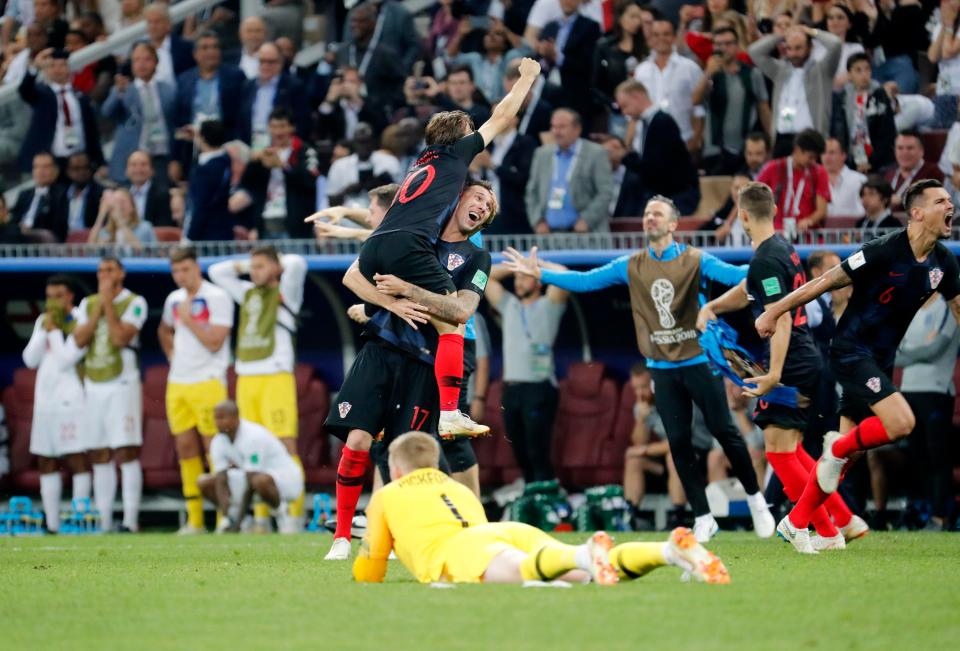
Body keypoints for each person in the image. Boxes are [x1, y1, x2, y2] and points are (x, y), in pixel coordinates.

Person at [503, 196, 775, 543]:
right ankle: (703, 516)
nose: (649, 218)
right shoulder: (631, 264)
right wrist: (540, 273)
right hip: (661, 366)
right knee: (678, 442)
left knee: (727, 431)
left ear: (674, 224)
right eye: (646, 213)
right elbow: (585, 282)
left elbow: (738, 275)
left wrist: (770, 261)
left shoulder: (695, 259)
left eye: (657, 214)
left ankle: (757, 501)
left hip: (698, 360)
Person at [755, 179, 960, 552]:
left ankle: (803, 524)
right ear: (916, 213)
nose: (951, 205)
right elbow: (824, 282)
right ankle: (832, 455)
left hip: (881, 358)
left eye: (950, 200)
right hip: (850, 351)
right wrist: (775, 309)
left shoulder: (944, 262)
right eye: (941, 200)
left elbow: (959, 310)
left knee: (847, 458)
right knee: (901, 423)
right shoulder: (882, 250)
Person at [353, 56, 542, 441]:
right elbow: (503, 116)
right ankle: (450, 412)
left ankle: (376, 316)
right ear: (461, 136)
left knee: (418, 315)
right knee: (454, 317)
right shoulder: (456, 155)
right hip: (407, 246)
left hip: (375, 246)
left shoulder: (420, 163)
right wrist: (527, 78)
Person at [322, 180, 499, 559]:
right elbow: (357, 271)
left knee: (417, 451)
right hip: (384, 347)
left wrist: (406, 290)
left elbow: (461, 311)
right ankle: (345, 534)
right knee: (360, 441)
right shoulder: (419, 232)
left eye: (489, 205)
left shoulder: (477, 258)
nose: (483, 206)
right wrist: (384, 306)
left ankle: (457, 524)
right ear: (458, 196)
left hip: (432, 361)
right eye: (478, 197)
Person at [698, 182, 862, 553]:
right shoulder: (781, 250)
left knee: (777, 452)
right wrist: (713, 307)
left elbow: (782, 317)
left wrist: (772, 374)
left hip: (790, 360)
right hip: (800, 357)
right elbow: (748, 289)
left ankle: (821, 528)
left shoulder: (767, 259)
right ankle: (843, 521)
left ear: (741, 216)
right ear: (773, 211)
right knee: (792, 449)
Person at [353, 431, 730, 585]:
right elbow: (480, 528)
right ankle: (667, 551)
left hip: (461, 549)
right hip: (502, 532)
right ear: (435, 463)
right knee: (586, 571)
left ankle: (586, 555)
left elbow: (370, 572)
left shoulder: (387, 494)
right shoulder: (456, 487)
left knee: (560, 567)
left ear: (396, 468)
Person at [208, 246, 307, 531]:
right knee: (247, 448)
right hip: (246, 377)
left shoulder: (287, 291)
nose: (255, 272)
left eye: (261, 266)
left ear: (276, 268)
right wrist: (249, 266)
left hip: (275, 376)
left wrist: (275, 263)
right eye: (253, 267)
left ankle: (293, 513)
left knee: (284, 444)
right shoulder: (247, 292)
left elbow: (297, 261)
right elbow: (217, 272)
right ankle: (261, 517)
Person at [158, 246, 234, 535]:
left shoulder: (217, 297)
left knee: (213, 449)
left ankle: (223, 515)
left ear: (196, 268)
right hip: (178, 383)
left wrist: (189, 320)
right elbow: (164, 330)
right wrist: (172, 355)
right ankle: (195, 520)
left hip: (208, 382)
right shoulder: (173, 299)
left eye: (185, 269)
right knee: (185, 449)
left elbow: (215, 342)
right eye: (175, 271)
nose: (180, 276)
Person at [71, 256, 148, 532]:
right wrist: (98, 306)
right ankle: (103, 521)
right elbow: (79, 340)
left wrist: (108, 303)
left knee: (125, 450)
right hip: (93, 383)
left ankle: (130, 520)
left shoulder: (135, 302)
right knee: (99, 452)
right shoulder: (87, 303)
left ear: (122, 273)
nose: (104, 274)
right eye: (101, 270)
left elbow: (118, 338)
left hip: (122, 383)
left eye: (110, 269)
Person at [483, 259, 568, 485]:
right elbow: (484, 276)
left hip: (539, 388)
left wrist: (535, 264)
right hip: (511, 389)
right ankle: (530, 493)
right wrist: (515, 266)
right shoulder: (509, 304)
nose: (519, 282)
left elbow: (563, 273)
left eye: (525, 277)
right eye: (517, 278)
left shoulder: (550, 304)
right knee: (519, 450)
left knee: (537, 449)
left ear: (538, 281)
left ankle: (546, 495)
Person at [22, 275, 91, 533]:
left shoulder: (80, 321)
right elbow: (30, 360)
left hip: (71, 400)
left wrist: (53, 332)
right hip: (45, 402)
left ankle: (79, 520)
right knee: (46, 460)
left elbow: (65, 359)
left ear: (70, 296)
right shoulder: (44, 321)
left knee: (76, 458)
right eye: (49, 297)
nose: (52, 302)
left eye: (58, 296)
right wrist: (45, 330)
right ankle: (52, 525)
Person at [893, 292, 960, 530]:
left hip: (936, 391)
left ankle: (940, 516)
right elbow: (895, 347)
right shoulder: (910, 308)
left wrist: (908, 352)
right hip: (909, 390)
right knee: (916, 456)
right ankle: (918, 514)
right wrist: (918, 349)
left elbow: (936, 349)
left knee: (938, 455)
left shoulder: (948, 308)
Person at [199, 401, 304, 533]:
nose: (217, 422)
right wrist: (226, 516)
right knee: (204, 482)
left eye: (222, 418)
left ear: (235, 417)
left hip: (286, 481)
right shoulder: (218, 441)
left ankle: (282, 514)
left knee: (259, 480)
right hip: (254, 479)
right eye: (216, 418)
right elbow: (221, 479)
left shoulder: (253, 435)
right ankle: (231, 519)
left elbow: (251, 482)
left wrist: (239, 521)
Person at [749, 25, 842, 157]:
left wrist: (811, 32)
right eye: (789, 48)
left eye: (798, 48)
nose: (793, 54)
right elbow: (754, 51)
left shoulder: (822, 70)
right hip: (783, 138)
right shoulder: (779, 70)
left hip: (811, 139)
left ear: (810, 47)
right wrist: (781, 35)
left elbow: (836, 44)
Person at [614, 80, 700, 215]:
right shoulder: (643, 124)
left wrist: (624, 157)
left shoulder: (662, 122)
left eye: (625, 106)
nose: (625, 112)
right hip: (656, 194)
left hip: (675, 196)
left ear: (637, 97)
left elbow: (656, 167)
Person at [695, 26, 772, 176]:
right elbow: (695, 100)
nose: (723, 48)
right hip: (714, 149)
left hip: (744, 150)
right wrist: (708, 73)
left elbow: (764, 110)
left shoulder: (752, 74)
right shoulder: (709, 74)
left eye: (728, 43)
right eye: (718, 44)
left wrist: (770, 141)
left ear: (737, 45)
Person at [233, 107, 319, 240]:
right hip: (266, 221)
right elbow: (247, 184)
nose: (278, 132)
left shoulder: (305, 151)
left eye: (282, 126)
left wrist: (284, 166)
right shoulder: (265, 152)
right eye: (273, 127)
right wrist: (254, 162)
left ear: (292, 128)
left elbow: (310, 181)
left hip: (295, 225)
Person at [18, 47, 104, 175]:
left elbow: (91, 131)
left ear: (69, 68)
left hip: (80, 159)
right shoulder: (42, 93)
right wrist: (35, 67)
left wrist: (100, 161)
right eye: (52, 65)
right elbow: (24, 90)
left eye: (62, 65)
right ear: (46, 70)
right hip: (52, 161)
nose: (57, 69)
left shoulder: (79, 96)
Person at [525, 108, 613, 233]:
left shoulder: (596, 153)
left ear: (577, 129)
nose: (556, 131)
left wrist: (587, 220)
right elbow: (531, 192)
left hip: (587, 234)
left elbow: (605, 192)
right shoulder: (542, 154)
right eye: (553, 126)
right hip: (549, 235)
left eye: (562, 127)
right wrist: (537, 221)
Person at [102, 42, 176, 185]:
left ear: (156, 62)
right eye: (137, 60)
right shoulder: (124, 89)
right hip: (132, 156)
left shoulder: (168, 90)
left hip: (161, 156)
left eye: (147, 59)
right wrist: (118, 92)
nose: (142, 64)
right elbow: (107, 112)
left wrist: (175, 159)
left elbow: (174, 122)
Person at [633, 18, 704, 152]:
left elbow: (699, 109)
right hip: (647, 143)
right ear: (650, 38)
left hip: (682, 140)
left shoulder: (690, 68)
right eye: (656, 35)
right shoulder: (641, 70)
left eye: (666, 34)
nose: (661, 39)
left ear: (674, 36)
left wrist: (695, 141)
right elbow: (635, 110)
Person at [174, 31, 246, 146]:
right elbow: (179, 119)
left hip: (227, 144)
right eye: (205, 48)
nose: (211, 51)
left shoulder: (235, 76)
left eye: (215, 47)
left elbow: (242, 115)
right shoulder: (184, 79)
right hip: (192, 145)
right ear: (195, 54)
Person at [829, 53, 896, 175]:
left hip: (878, 162)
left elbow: (886, 133)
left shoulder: (879, 94)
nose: (864, 74)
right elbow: (839, 132)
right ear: (849, 74)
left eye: (867, 69)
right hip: (850, 161)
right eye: (858, 70)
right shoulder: (842, 97)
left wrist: (871, 162)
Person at [756, 128, 831, 235]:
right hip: (776, 234)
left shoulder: (819, 172)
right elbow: (753, 198)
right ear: (797, 149)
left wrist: (809, 221)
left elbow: (821, 211)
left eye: (816, 158)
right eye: (810, 157)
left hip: (807, 237)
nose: (813, 161)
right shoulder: (773, 168)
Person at [536, 0, 601, 122]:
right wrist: (543, 55)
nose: (567, 1)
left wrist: (557, 57)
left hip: (574, 92)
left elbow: (587, 64)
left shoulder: (590, 27)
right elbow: (538, 59)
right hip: (546, 91)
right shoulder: (550, 26)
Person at [238, 42, 310, 148]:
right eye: (262, 61)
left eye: (271, 62)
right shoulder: (247, 86)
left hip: (282, 148)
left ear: (281, 63)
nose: (265, 66)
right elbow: (240, 121)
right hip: (252, 148)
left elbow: (302, 122)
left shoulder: (294, 86)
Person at [186, 120, 234, 242]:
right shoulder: (225, 161)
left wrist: (190, 237)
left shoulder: (206, 169)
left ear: (201, 138)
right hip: (223, 229)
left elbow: (201, 205)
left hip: (206, 234)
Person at [11, 153, 67, 241]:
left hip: (44, 240)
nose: (40, 171)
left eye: (46, 167)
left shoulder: (62, 194)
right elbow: (13, 218)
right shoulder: (24, 194)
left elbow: (58, 225)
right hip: (18, 238)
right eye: (36, 167)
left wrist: (29, 230)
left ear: (56, 170)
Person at [884, 131, 944, 211]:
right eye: (900, 148)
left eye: (910, 148)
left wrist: (902, 201)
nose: (904, 152)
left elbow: (932, 202)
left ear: (921, 151)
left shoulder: (933, 172)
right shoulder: (889, 175)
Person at [88, 188, 157, 252]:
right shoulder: (106, 231)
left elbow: (139, 252)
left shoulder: (144, 227)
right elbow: (89, 250)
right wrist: (101, 215)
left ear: (132, 206)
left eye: (122, 201)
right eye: (115, 202)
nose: (118, 206)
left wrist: (119, 219)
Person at [142, 2, 194, 85]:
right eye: (150, 22)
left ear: (168, 24)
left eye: (157, 22)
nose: (153, 26)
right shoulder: (140, 49)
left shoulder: (185, 48)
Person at [126, 150, 174, 228]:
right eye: (133, 165)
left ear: (152, 170)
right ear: (126, 170)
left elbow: (163, 227)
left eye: (143, 164)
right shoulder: (121, 194)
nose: (138, 169)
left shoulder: (162, 195)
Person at [823, 138, 866, 218]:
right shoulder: (815, 181)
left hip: (853, 229)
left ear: (843, 155)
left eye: (831, 153)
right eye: (824, 152)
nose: (827, 157)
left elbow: (864, 212)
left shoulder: (859, 180)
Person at [63, 152, 105, 234]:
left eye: (86, 168)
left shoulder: (100, 194)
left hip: (91, 240)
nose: (82, 172)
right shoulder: (61, 195)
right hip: (63, 242)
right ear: (68, 171)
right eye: (76, 169)